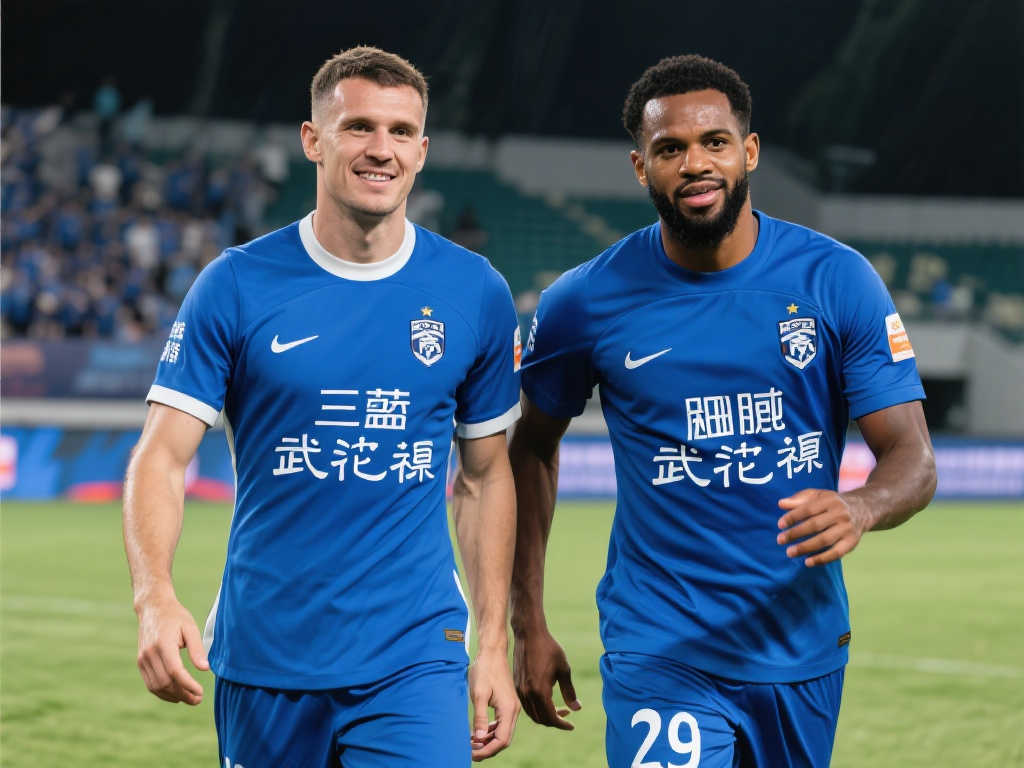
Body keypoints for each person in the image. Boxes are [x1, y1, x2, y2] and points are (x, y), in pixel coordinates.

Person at [509, 54, 936, 767]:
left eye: (715, 142)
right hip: (659, 646)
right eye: (669, 149)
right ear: (641, 167)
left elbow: (913, 458)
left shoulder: (837, 280)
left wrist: (860, 507)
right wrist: (527, 620)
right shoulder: (582, 302)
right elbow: (529, 450)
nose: (695, 164)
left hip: (800, 645)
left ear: (750, 151)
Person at [123, 46, 521, 767]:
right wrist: (154, 596)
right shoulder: (235, 285)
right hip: (266, 652)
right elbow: (162, 456)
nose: (381, 149)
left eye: (401, 132)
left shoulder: (476, 292)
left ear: (422, 151)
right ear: (313, 140)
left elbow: (486, 475)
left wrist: (493, 643)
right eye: (359, 127)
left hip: (416, 653)